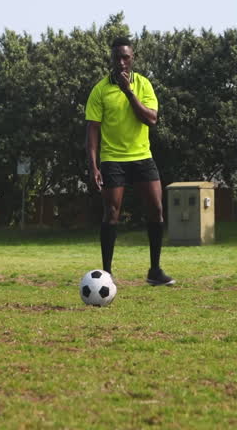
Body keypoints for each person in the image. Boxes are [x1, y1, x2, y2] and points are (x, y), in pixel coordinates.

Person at [84, 37, 174, 286]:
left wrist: (128, 92)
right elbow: (92, 131)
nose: (122, 62)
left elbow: (151, 119)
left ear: (132, 58)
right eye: (117, 58)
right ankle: (106, 275)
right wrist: (93, 166)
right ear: (111, 60)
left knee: (156, 209)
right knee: (111, 213)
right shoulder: (100, 90)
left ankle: (155, 270)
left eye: (126, 57)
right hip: (113, 159)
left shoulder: (143, 84)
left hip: (142, 156)